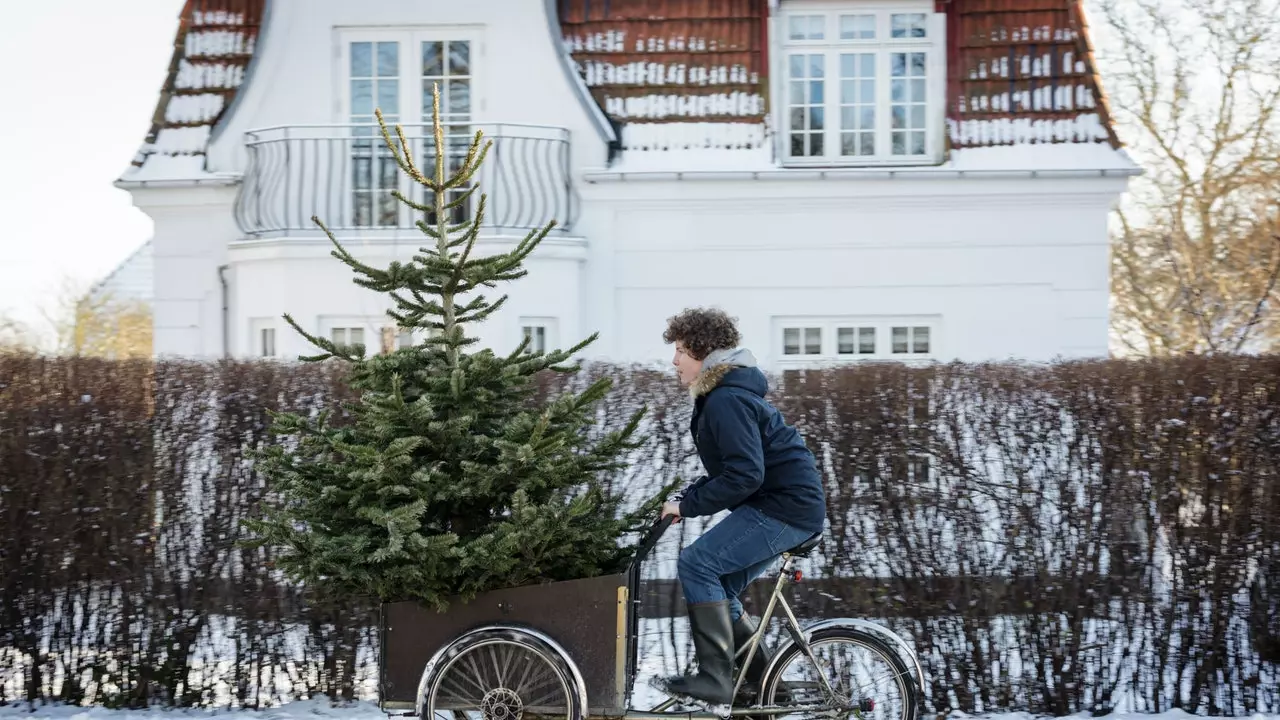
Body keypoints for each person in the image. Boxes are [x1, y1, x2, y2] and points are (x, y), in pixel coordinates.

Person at [654, 307, 827, 707]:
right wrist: (687, 497)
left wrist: (690, 505)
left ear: (701, 351)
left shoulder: (725, 400)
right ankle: (768, 689)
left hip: (783, 507)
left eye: (680, 350)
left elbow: (745, 475)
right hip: (788, 505)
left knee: (698, 564)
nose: (674, 360)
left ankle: (715, 677)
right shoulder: (725, 395)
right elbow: (736, 469)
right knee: (723, 587)